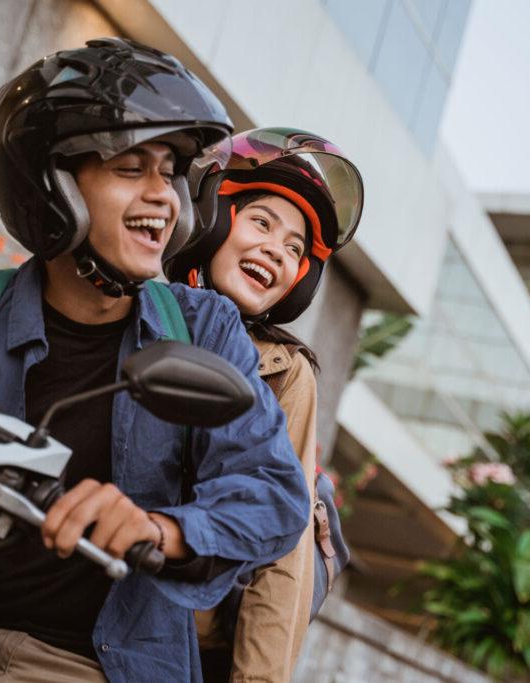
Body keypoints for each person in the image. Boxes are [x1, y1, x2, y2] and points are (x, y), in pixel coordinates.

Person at [0, 39, 309, 683]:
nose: (163, 196)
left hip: (99, 668)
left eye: (169, 172)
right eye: (130, 168)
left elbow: (274, 496)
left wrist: (159, 529)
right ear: (53, 184)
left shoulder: (203, 330)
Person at [167, 127, 363, 682]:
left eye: (295, 248)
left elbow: (287, 548)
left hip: (186, 650)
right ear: (215, 218)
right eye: (261, 222)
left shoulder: (284, 372)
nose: (276, 249)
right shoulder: (136, 311)